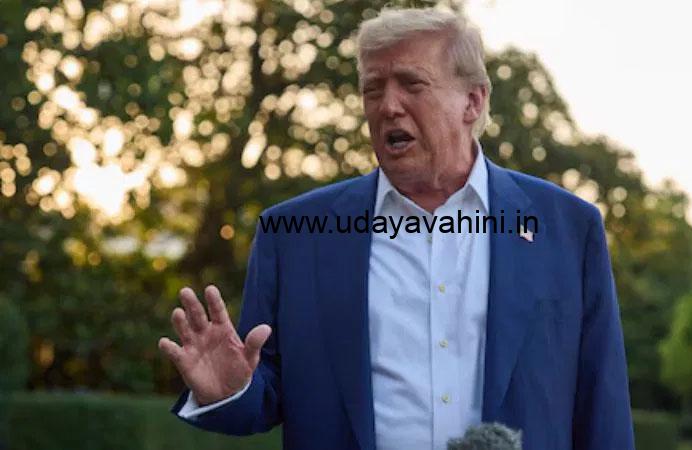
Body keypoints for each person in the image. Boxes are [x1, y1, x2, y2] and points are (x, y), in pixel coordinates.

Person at [158, 7, 635, 450]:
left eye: (412, 84)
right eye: (373, 89)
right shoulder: (293, 235)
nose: (388, 105)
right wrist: (232, 391)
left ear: (472, 101)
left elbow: (602, 403)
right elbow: (266, 391)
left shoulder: (567, 228)